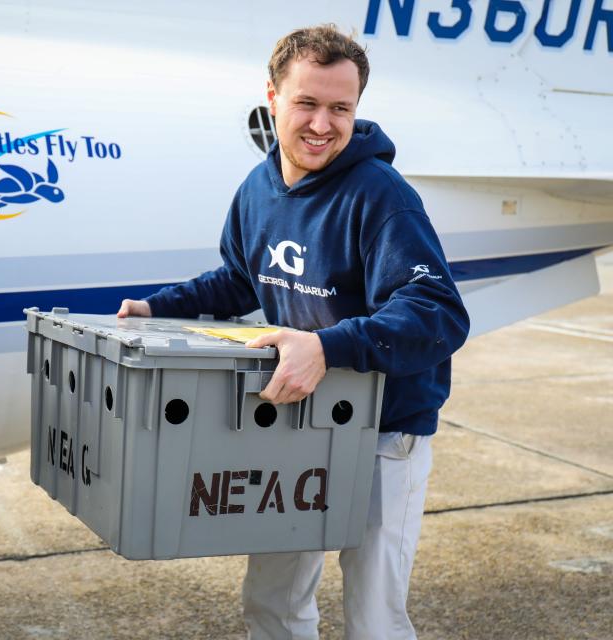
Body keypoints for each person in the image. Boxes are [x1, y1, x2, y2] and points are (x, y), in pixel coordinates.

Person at [118, 25, 470, 640]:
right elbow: (238, 279)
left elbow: (438, 311)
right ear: (273, 97)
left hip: (384, 435)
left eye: (341, 108)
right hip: (297, 427)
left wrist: (327, 346)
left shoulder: (381, 196)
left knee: (373, 620)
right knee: (272, 606)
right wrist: (156, 307)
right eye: (307, 103)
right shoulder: (258, 189)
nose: (322, 124)